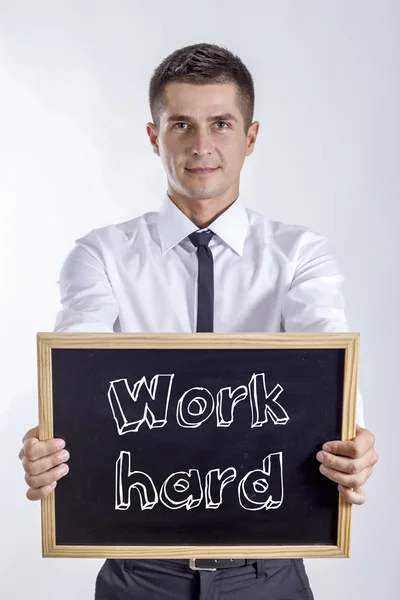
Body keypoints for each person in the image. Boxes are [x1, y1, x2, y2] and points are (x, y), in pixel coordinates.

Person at [18, 42, 378, 600]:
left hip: (268, 573)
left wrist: (354, 439)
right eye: (181, 124)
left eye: (221, 124)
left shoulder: (300, 256)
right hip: (140, 574)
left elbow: (327, 355)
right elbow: (75, 369)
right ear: (153, 136)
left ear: (251, 137)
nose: (201, 145)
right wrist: (51, 439)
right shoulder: (101, 256)